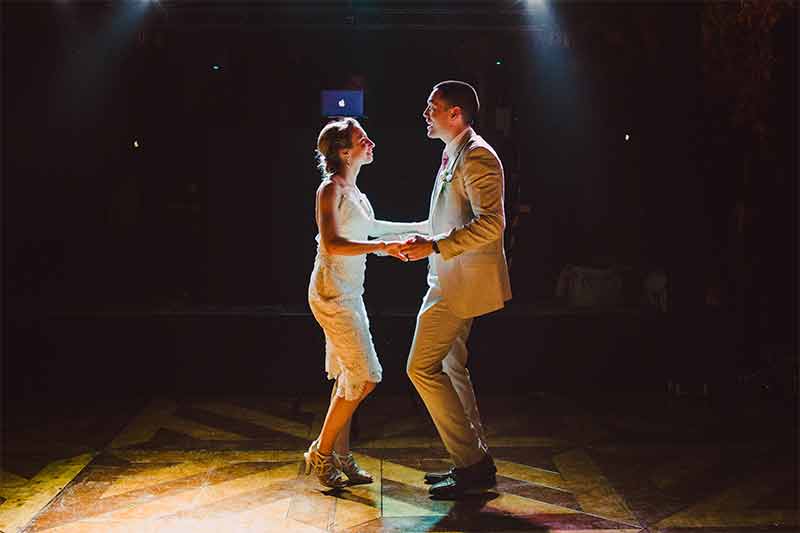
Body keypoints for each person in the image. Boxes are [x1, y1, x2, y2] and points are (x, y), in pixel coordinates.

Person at [400, 81, 512, 498]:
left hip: (457, 284)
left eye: (433, 107)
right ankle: (474, 462)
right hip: (445, 274)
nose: (426, 113)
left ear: (456, 114)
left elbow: (492, 223)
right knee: (450, 368)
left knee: (419, 368)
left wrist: (435, 246)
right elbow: (444, 219)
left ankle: (472, 462)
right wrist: (411, 239)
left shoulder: (479, 155)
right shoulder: (454, 152)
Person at [306, 118, 426, 488]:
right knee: (366, 376)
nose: (371, 142)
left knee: (348, 376)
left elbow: (374, 228)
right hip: (331, 295)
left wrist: (422, 227)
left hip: (350, 293)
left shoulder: (357, 194)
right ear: (345, 152)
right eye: (362, 140)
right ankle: (321, 454)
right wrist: (382, 247)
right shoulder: (330, 191)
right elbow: (332, 244)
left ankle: (340, 456)